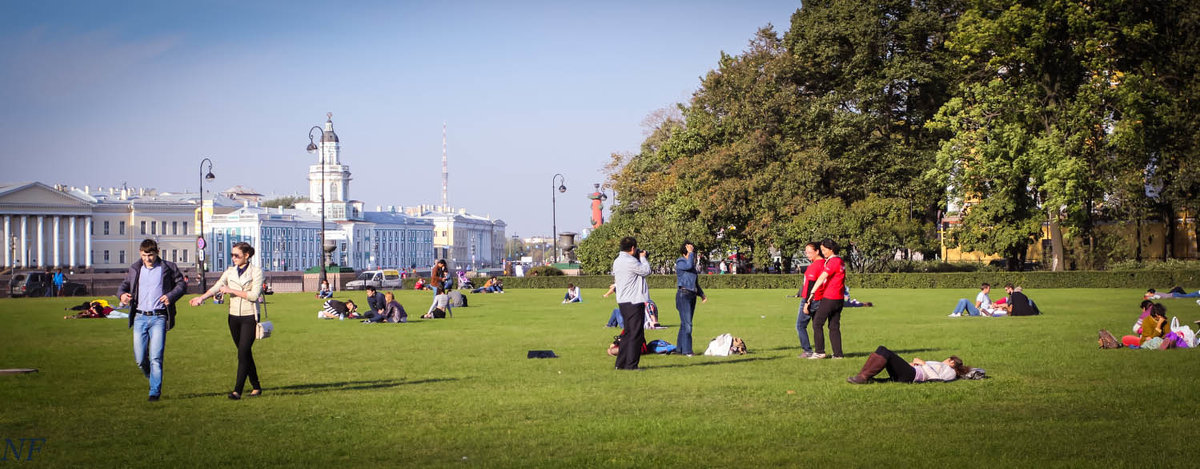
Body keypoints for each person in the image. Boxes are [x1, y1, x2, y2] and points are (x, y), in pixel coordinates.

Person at [189, 242, 265, 400]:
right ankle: (256, 385)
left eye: (237, 255)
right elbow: (217, 286)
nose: (233, 258)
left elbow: (253, 295)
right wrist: (201, 298)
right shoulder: (230, 272)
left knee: (243, 352)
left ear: (247, 255)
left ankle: (237, 390)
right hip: (233, 317)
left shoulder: (256, 272)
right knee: (244, 353)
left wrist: (231, 290)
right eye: (232, 255)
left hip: (250, 316)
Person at [117, 239, 186, 401]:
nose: (147, 259)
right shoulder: (135, 269)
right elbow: (123, 286)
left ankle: (154, 391)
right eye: (144, 255)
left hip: (159, 317)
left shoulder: (168, 268)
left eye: (150, 255)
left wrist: (171, 296)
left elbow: (181, 285)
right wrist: (122, 295)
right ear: (140, 254)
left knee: (156, 357)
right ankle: (152, 377)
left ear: (157, 252)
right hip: (140, 317)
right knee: (140, 359)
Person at [612, 237, 651, 370]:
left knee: (627, 333)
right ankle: (631, 365)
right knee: (636, 334)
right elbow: (646, 271)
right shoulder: (631, 261)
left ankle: (621, 363)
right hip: (634, 301)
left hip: (623, 301)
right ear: (633, 248)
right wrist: (643, 258)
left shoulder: (617, 261)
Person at [847, 346, 970, 384]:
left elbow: (937, 379)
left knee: (885, 351)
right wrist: (914, 364)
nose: (944, 360)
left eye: (947, 359)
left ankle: (863, 377)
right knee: (881, 350)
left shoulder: (950, 371)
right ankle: (863, 376)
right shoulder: (943, 366)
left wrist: (923, 364)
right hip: (911, 372)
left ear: (952, 362)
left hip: (912, 376)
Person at [807, 238, 846, 359]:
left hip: (830, 297)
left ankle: (819, 351)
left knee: (817, 323)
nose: (823, 252)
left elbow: (822, 277)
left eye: (824, 250)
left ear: (831, 249)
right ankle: (838, 354)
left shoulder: (833, 261)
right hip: (839, 298)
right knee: (834, 326)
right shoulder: (840, 261)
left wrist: (812, 292)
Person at [675, 240, 708, 356]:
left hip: (691, 294)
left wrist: (701, 294)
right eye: (690, 250)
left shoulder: (690, 264)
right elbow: (689, 265)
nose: (692, 254)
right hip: (683, 294)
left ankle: (679, 350)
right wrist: (690, 253)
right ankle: (687, 351)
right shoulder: (681, 261)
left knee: (685, 324)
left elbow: (695, 282)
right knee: (688, 325)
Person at [795, 242, 824, 358]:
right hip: (820, 298)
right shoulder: (824, 264)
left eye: (809, 252)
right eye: (806, 252)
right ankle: (820, 351)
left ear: (817, 251)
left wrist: (807, 303)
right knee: (817, 326)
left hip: (811, 299)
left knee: (800, 325)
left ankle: (807, 350)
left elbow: (811, 285)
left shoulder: (814, 266)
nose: (807, 255)